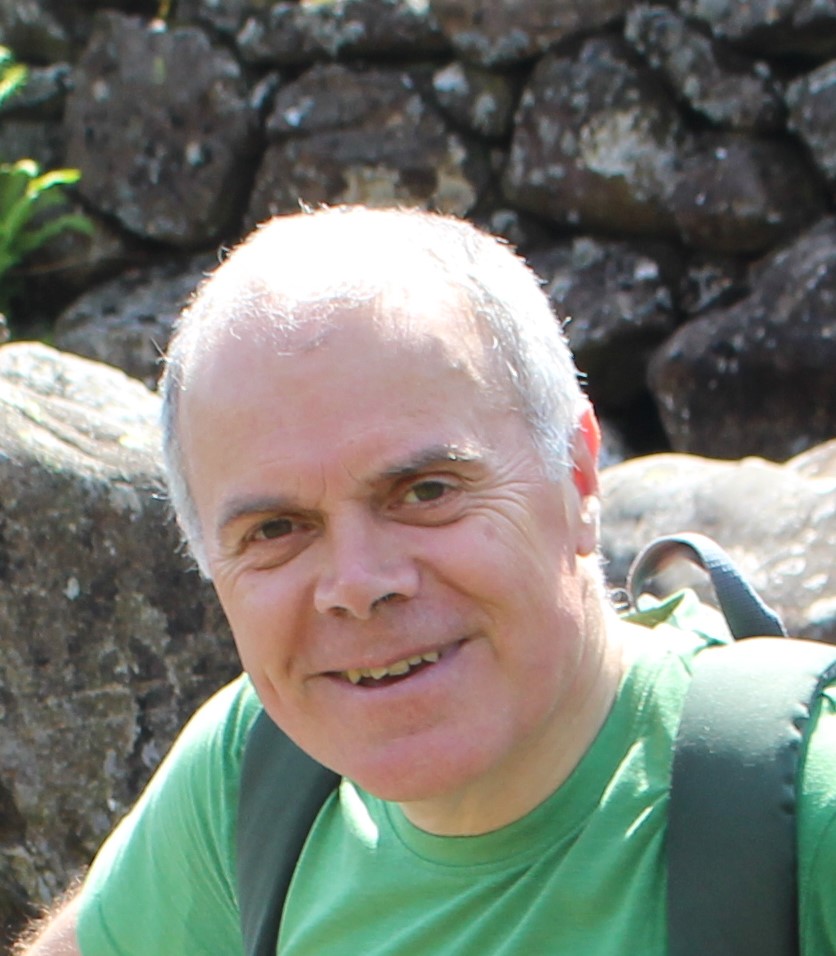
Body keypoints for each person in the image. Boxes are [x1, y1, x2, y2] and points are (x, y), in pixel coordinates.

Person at [16, 206, 836, 955]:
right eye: (276, 530)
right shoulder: (256, 777)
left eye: (425, 492)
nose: (358, 583)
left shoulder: (805, 818)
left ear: (579, 477)